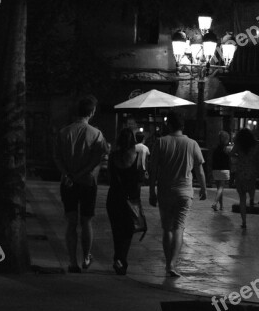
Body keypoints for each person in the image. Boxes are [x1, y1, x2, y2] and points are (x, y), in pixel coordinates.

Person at [54, 95, 109, 273]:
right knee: (86, 221)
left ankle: (72, 261)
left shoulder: (64, 132)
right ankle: (86, 257)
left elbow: (57, 157)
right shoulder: (96, 134)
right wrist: (81, 173)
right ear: (91, 112)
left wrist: (67, 173)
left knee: (71, 222)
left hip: (68, 182)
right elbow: (97, 159)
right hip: (87, 182)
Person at [147, 111, 206, 277]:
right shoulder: (192, 143)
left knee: (167, 229)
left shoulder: (160, 142)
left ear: (169, 125)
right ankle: (173, 264)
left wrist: (152, 191)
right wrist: (204, 187)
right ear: (183, 126)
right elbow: (199, 169)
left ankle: (168, 263)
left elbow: (153, 170)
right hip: (185, 192)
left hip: (165, 191)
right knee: (179, 228)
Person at [106, 128, 141, 275]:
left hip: (114, 197)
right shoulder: (137, 156)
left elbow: (109, 176)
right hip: (131, 199)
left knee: (116, 230)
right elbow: (139, 179)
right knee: (128, 230)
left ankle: (118, 258)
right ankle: (121, 260)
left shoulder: (113, 156)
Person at [231, 128, 259, 229]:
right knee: (252, 186)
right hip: (252, 171)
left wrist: (239, 156)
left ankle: (244, 222)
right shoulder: (256, 144)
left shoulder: (239, 145)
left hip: (241, 172)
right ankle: (252, 198)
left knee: (242, 199)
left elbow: (231, 153)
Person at [210, 131, 232, 212]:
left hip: (215, 169)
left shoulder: (215, 148)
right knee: (221, 187)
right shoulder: (227, 148)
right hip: (224, 169)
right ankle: (215, 203)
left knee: (218, 188)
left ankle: (221, 206)